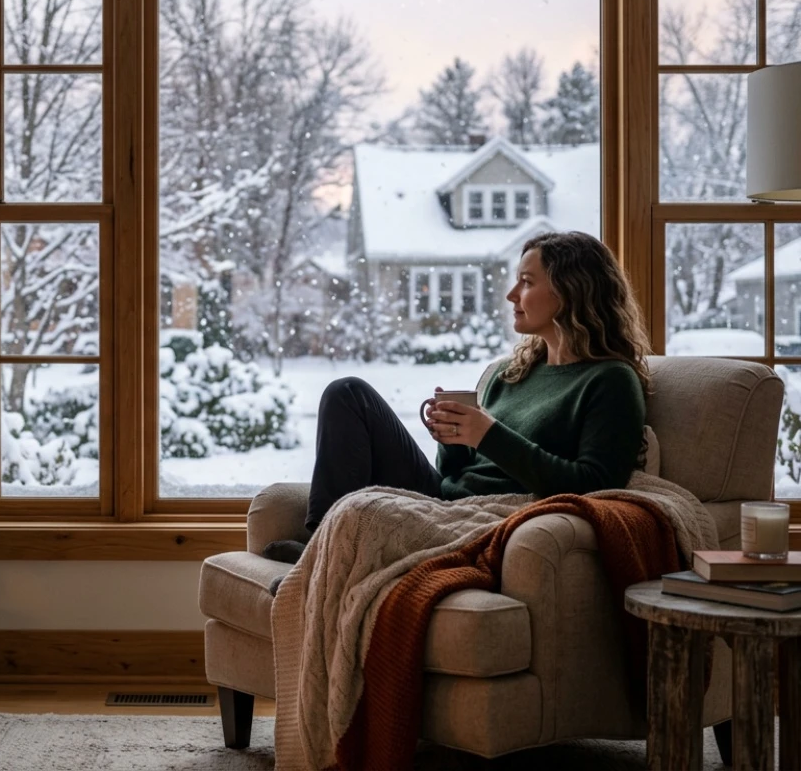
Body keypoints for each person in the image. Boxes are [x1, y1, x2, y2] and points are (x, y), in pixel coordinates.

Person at [263, 231, 651, 572]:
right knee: (347, 394)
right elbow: (455, 475)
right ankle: (319, 547)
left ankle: (322, 560)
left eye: (527, 282)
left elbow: (596, 486)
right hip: (447, 501)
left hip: (495, 518)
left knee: (366, 504)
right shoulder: (510, 372)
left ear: (571, 291)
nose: (511, 294)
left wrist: (487, 435)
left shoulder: (609, 380)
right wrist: (452, 438)